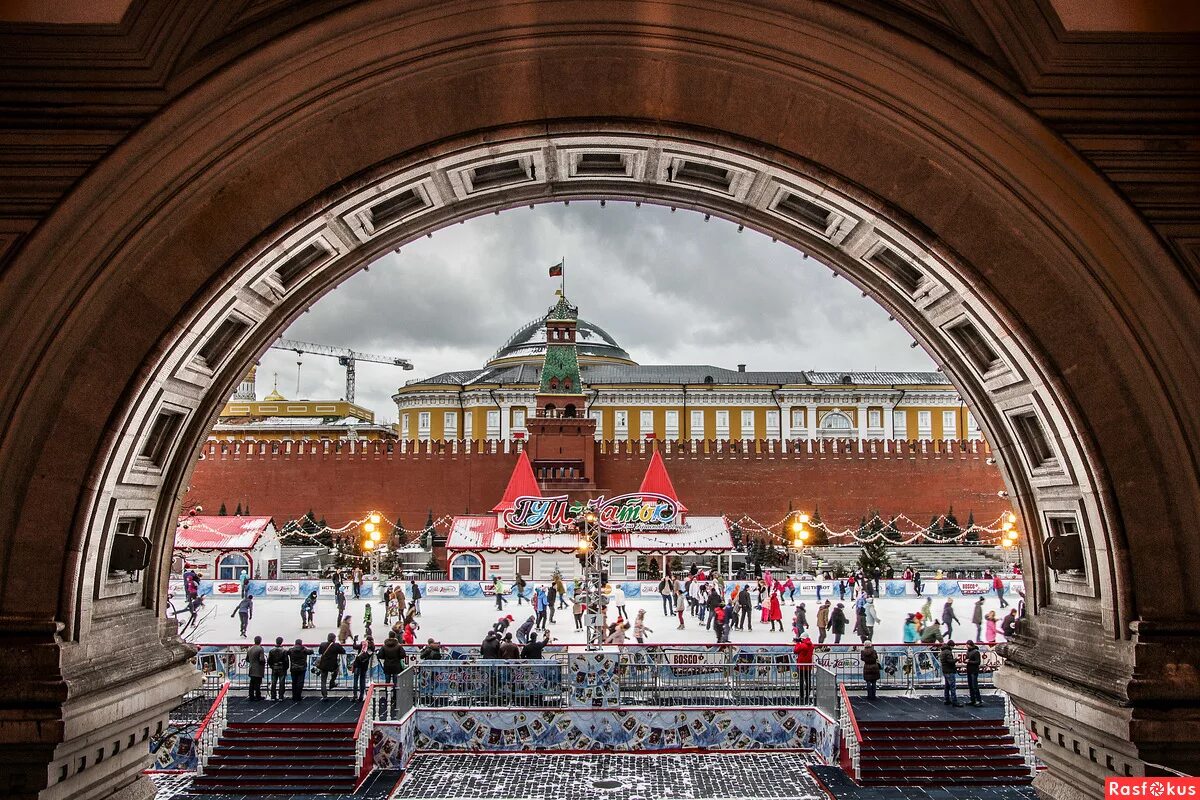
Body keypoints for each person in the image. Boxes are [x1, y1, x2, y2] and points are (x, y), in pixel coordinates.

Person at [316, 633, 345, 700]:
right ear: (334, 639)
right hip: (332, 665)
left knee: (323, 680)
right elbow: (343, 651)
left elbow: (320, 652)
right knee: (336, 671)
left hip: (323, 665)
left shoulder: (322, 644)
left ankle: (324, 695)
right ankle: (332, 682)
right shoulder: (336, 645)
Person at [940, 640, 961, 706]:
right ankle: (954, 701)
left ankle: (947, 699)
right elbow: (950, 661)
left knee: (947, 686)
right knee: (952, 686)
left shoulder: (943, 651)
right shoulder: (948, 652)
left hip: (945, 670)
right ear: (951, 645)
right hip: (949, 670)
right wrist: (956, 659)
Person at [267, 636, 289, 700]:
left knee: (273, 682)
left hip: (274, 668)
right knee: (282, 682)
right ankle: (281, 696)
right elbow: (286, 661)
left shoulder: (271, 651)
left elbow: (269, 660)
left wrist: (272, 666)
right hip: (281, 668)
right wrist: (285, 668)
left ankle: (273, 696)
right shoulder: (284, 651)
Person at [793, 634, 814, 702]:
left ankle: (802, 696)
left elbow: (795, 651)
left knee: (801, 680)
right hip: (808, 666)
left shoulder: (802, 645)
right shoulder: (811, 645)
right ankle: (807, 695)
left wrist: (797, 643)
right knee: (808, 681)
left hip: (801, 665)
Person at [245, 635, 266, 701]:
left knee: (252, 683)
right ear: (260, 641)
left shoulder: (250, 649)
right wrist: (263, 663)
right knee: (257, 683)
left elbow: (247, 659)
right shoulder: (260, 649)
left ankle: (251, 695)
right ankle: (258, 695)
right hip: (258, 668)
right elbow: (261, 659)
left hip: (251, 668)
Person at [964, 640, 983, 706]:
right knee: (971, 685)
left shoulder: (976, 652)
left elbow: (978, 662)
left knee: (974, 686)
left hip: (974, 670)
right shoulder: (969, 651)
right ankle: (973, 699)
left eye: (967, 645)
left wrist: (969, 662)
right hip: (969, 670)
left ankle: (978, 700)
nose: (966, 646)